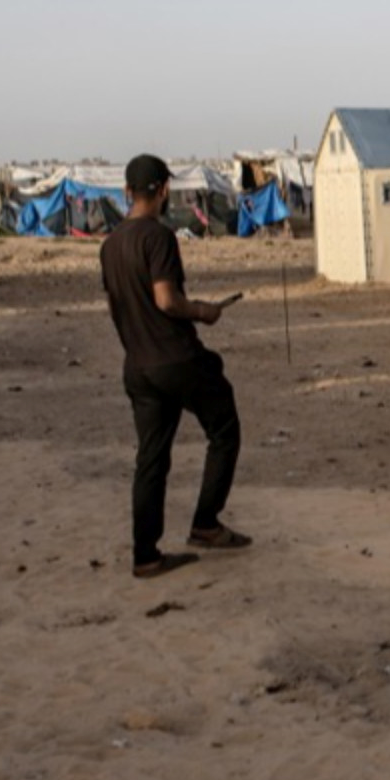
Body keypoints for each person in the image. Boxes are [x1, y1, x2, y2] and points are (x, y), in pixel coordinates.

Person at [100, 154, 251, 579]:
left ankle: (146, 555)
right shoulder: (159, 238)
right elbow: (167, 299)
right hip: (176, 358)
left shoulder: (109, 245)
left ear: (127, 191)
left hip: (139, 367)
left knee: (151, 459)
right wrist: (203, 311)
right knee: (224, 428)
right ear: (164, 190)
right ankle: (206, 524)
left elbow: (115, 307)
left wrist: (136, 344)